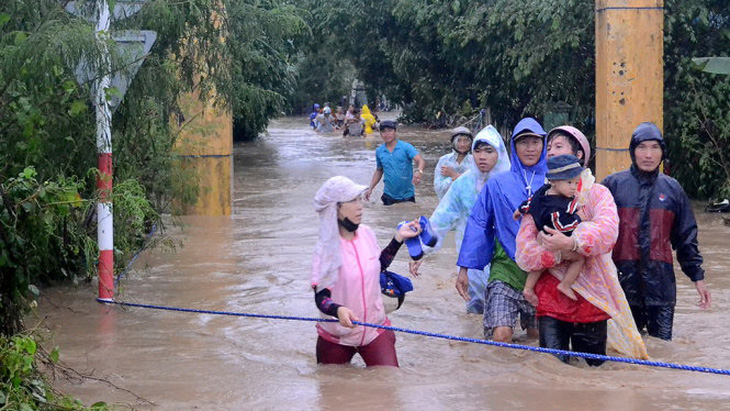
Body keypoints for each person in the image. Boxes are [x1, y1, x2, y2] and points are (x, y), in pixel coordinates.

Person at [515, 125, 647, 365]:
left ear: (578, 155)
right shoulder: (540, 198)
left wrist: (572, 242)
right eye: (550, 148)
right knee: (551, 371)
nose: (551, 152)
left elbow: (608, 232)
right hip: (551, 297)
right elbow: (524, 250)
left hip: (592, 299)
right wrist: (557, 254)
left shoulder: (598, 194)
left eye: (558, 146)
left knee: (593, 373)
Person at [602, 122, 711, 341]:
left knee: (661, 353)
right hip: (621, 287)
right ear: (633, 151)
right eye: (642, 148)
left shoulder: (673, 190)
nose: (648, 155)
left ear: (662, 152)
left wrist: (697, 277)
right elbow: (596, 235)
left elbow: (686, 238)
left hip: (660, 290)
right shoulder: (612, 186)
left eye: (654, 148)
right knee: (623, 354)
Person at [311, 176, 422, 367]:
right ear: (335, 208)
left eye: (359, 199)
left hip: (374, 329)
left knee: (390, 383)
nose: (359, 206)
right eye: (352, 200)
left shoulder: (367, 233)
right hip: (337, 335)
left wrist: (398, 239)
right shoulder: (325, 248)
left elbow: (379, 265)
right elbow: (321, 298)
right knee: (332, 392)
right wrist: (338, 310)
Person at [457, 117, 547, 342]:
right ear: (514, 147)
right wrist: (464, 268)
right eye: (523, 142)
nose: (529, 148)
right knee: (501, 336)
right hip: (505, 269)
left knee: (537, 338)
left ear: (543, 145)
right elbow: (479, 223)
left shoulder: (555, 181)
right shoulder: (497, 184)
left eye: (535, 142)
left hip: (544, 273)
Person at [409, 125, 510, 313]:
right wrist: (421, 251)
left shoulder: (511, 182)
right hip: (472, 262)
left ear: (500, 153)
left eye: (489, 151)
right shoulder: (463, 183)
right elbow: (441, 218)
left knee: (505, 320)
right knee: (475, 315)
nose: (482, 156)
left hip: (507, 262)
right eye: (478, 151)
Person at [518, 154, 586, 306]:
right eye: (569, 182)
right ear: (554, 181)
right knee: (579, 259)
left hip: (541, 240)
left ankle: (528, 288)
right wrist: (579, 218)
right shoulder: (561, 205)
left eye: (576, 182)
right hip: (557, 244)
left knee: (540, 266)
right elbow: (562, 226)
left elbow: (530, 202)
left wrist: (519, 209)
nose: (574, 187)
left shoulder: (543, 191)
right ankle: (565, 284)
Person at [364, 120, 426, 205]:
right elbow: (379, 170)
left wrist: (419, 172)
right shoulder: (379, 151)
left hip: (407, 195)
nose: (387, 134)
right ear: (380, 134)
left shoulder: (406, 147)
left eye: (389, 131)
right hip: (388, 195)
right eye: (384, 132)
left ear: (395, 132)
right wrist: (370, 188)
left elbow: (420, 160)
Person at [433, 126, 475, 200]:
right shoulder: (444, 160)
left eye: (466, 141)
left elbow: (475, 188)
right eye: (458, 140)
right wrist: (452, 179)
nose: (462, 144)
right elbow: (439, 189)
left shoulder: (475, 161)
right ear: (453, 142)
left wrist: (453, 175)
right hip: (448, 205)